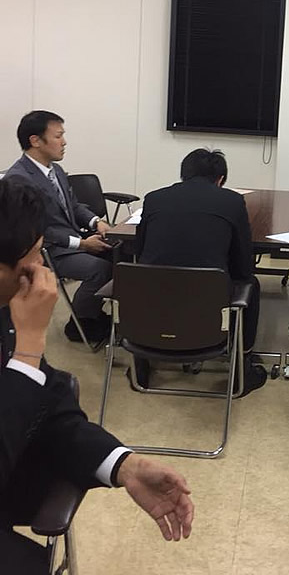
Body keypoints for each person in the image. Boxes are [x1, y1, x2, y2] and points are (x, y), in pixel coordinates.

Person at [0, 177, 194, 573]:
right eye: (33, 258)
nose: (41, 271)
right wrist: (28, 349)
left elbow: (49, 401)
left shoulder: (7, 309)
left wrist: (123, 464)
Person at [136, 148, 266, 394]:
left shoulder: (153, 198)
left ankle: (140, 364)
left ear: (183, 174)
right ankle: (242, 364)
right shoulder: (232, 201)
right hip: (208, 301)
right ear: (220, 180)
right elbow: (243, 265)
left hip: (154, 296)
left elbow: (139, 251)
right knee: (251, 284)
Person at [5, 110, 112, 343]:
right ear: (35, 141)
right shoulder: (18, 179)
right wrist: (81, 244)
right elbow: (34, 229)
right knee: (100, 269)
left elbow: (74, 206)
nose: (64, 142)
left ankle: (94, 316)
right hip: (47, 251)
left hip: (71, 241)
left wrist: (97, 222)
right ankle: (80, 323)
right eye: (58, 136)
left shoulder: (56, 171)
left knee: (118, 255)